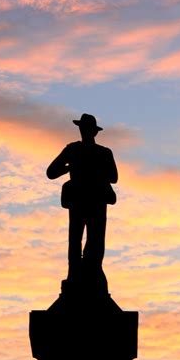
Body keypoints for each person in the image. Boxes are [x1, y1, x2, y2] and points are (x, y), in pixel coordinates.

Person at [46, 113, 118, 288]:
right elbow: (51, 172)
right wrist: (71, 167)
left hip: (92, 200)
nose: (83, 131)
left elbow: (113, 177)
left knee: (91, 239)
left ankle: (90, 273)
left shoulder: (94, 152)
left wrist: (80, 168)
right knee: (82, 239)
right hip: (85, 200)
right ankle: (76, 276)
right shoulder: (77, 150)